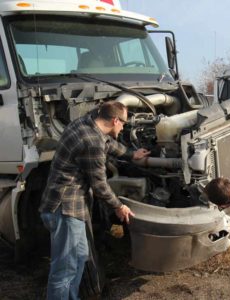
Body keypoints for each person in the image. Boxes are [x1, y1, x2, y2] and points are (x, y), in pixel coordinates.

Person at [39, 101, 150, 300]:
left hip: (70, 206)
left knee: (80, 257)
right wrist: (119, 206)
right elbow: (99, 185)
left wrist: (131, 154)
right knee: (63, 270)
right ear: (115, 120)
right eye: (123, 123)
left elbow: (108, 142)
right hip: (66, 209)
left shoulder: (86, 122)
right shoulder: (92, 142)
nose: (124, 127)